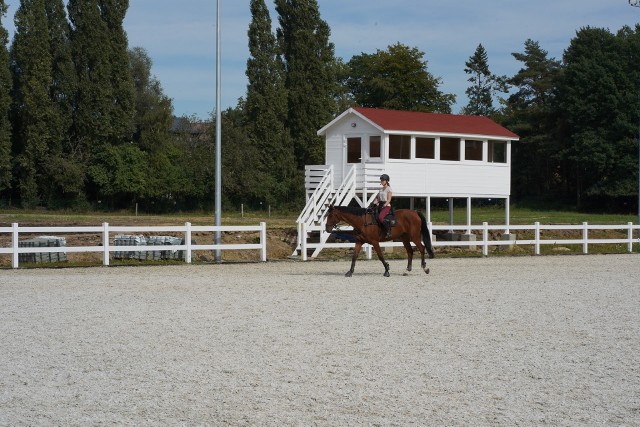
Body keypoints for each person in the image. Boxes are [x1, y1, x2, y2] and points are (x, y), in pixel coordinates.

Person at [375, 174, 393, 238]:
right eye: (381, 180)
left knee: (380, 217)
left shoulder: (389, 189)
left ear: (386, 181)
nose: (381, 181)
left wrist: (385, 204)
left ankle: (388, 231)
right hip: (380, 205)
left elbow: (389, 199)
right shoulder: (380, 190)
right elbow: (378, 199)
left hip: (386, 206)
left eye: (383, 180)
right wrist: (375, 202)